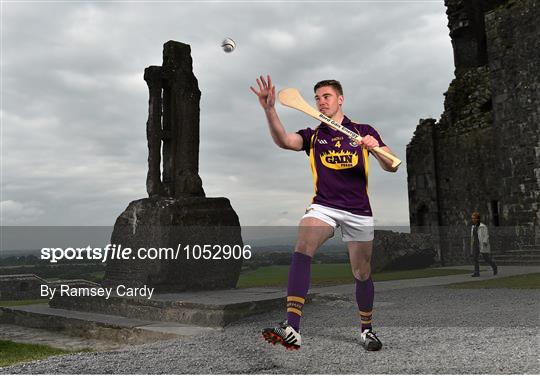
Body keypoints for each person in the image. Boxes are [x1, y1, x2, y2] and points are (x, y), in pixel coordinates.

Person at [250, 75, 399, 351]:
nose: (321, 101)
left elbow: (392, 166)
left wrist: (374, 149)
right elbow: (284, 140)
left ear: (340, 99)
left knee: (362, 272)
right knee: (303, 242)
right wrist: (269, 110)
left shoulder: (363, 130)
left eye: (326, 96)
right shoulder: (314, 135)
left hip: (358, 210)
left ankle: (367, 330)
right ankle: (292, 326)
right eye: (317, 98)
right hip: (325, 206)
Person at [470, 212, 498, 277]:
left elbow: (486, 235)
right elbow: (472, 236)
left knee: (486, 258)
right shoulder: (473, 227)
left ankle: (494, 266)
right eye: (472, 218)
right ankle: (476, 273)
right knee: (475, 258)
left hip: (482, 244)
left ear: (478, 219)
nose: (473, 219)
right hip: (475, 244)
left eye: (474, 218)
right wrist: (471, 244)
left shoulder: (483, 226)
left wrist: (485, 242)